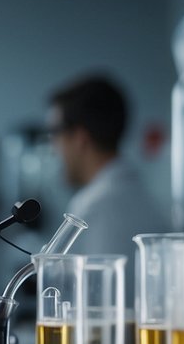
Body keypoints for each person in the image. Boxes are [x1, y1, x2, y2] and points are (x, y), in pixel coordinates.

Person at [46, 74, 172, 265]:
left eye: (54, 133)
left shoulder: (91, 208)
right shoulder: (151, 199)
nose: (53, 148)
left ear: (80, 138)